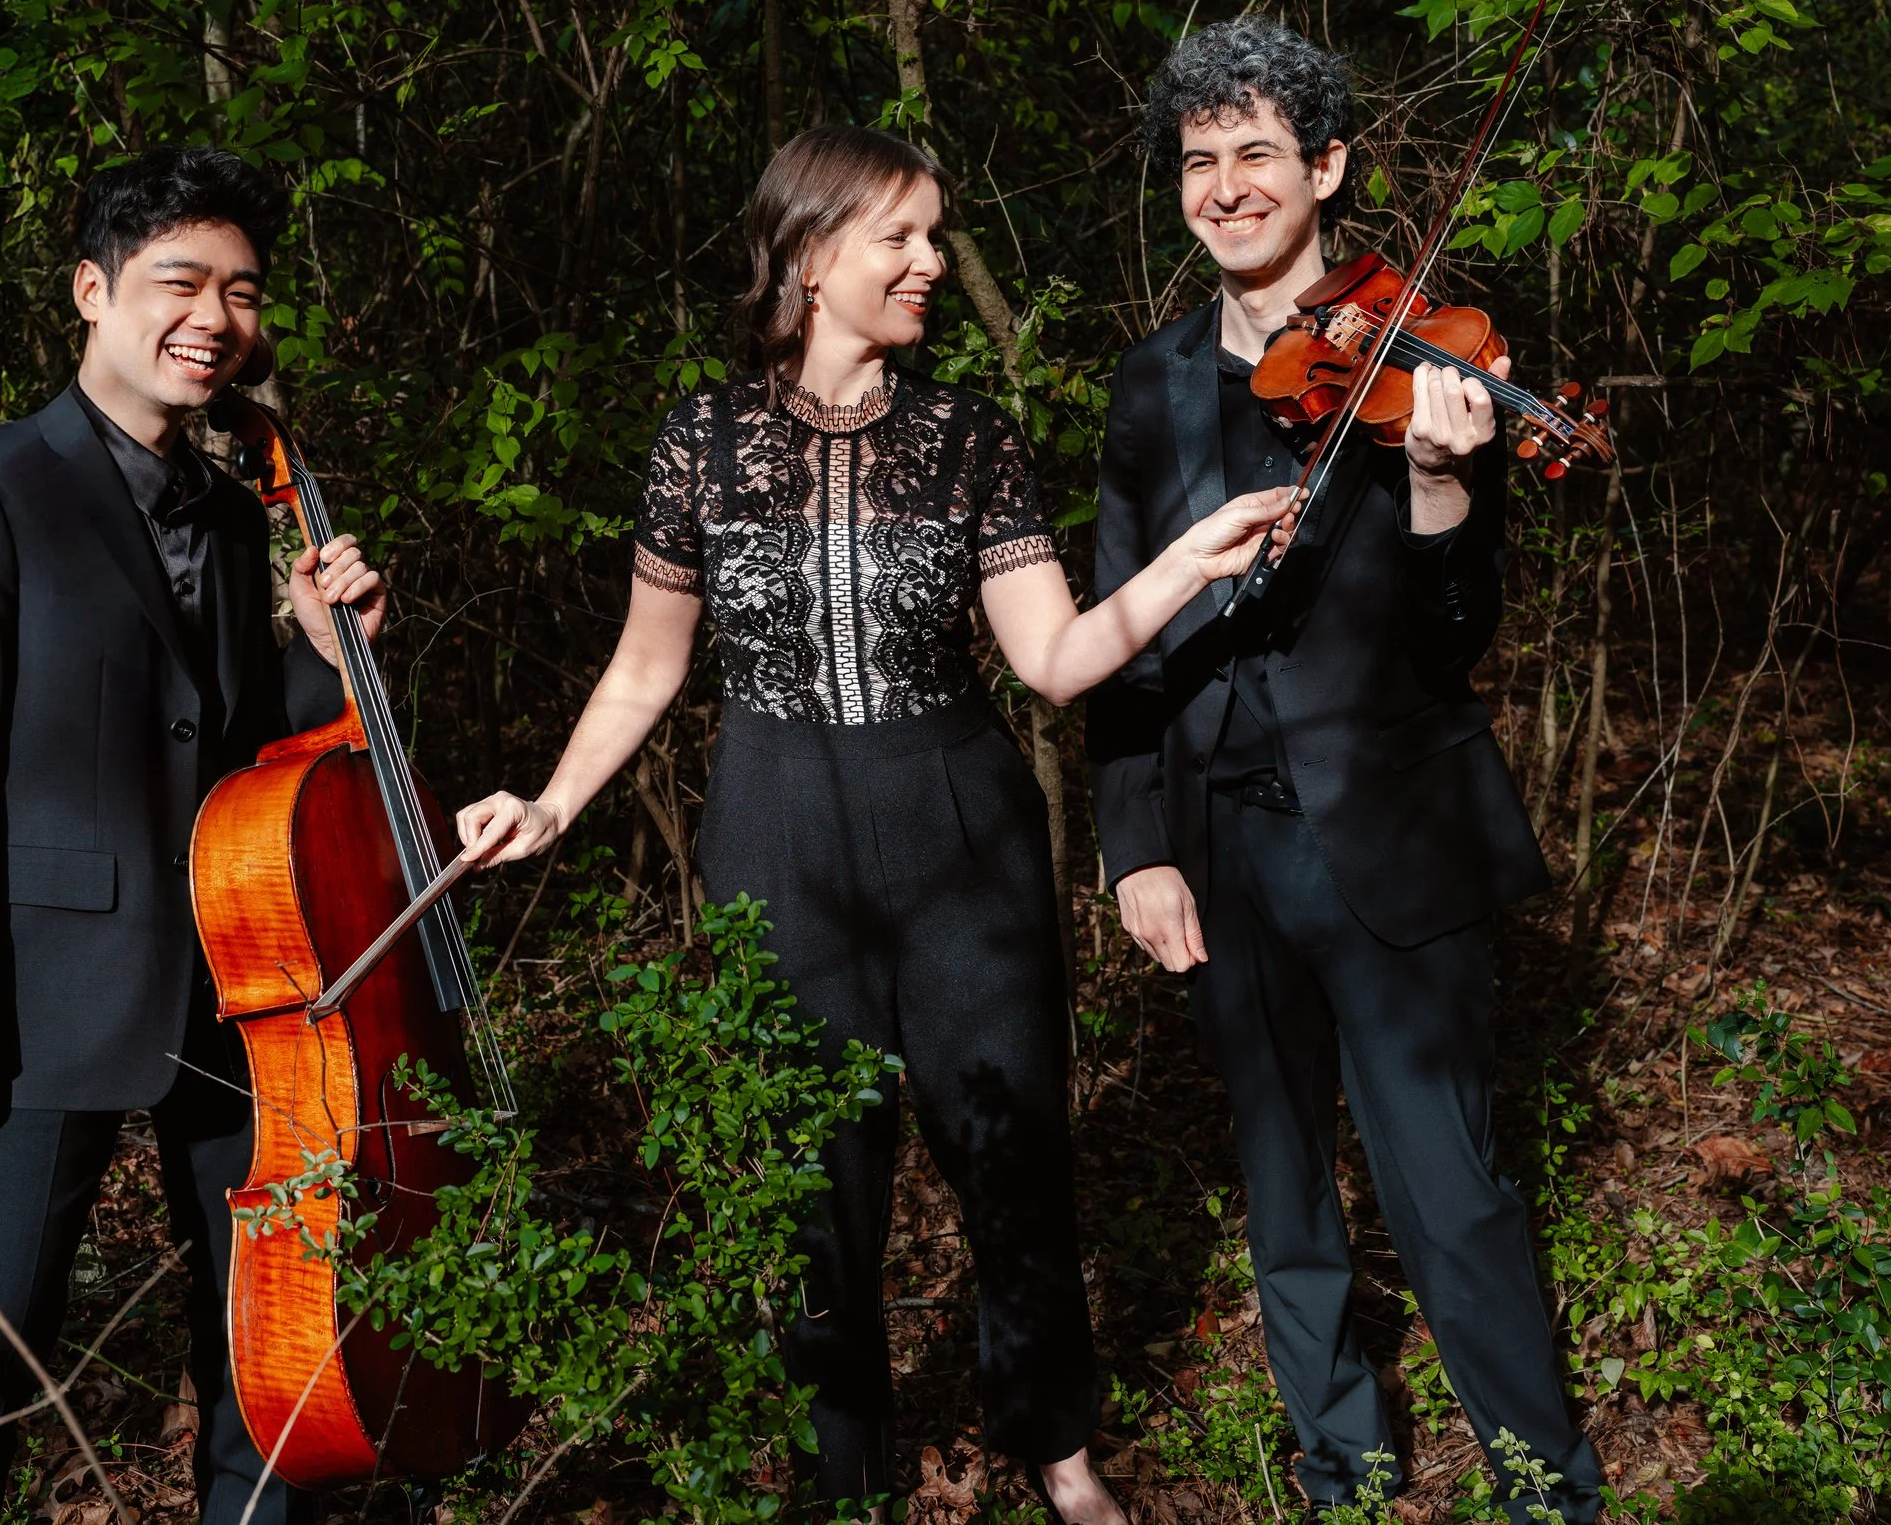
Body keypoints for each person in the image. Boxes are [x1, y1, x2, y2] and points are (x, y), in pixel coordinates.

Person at [456, 125, 1293, 1523]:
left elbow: (1054, 659)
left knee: (1012, 1151)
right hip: (775, 827)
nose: (929, 264)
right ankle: (842, 1477)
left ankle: (1057, 1447)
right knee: (812, 1178)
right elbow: (647, 666)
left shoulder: (968, 436)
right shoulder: (702, 440)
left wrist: (1183, 569)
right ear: (807, 254)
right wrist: (550, 799)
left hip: (962, 826)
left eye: (934, 236)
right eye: (899, 236)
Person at [1088, 16, 1603, 1522]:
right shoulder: (1148, 384)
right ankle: (1345, 1473)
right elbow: (1119, 632)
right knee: (1283, 1190)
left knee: (1453, 1192)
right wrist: (1137, 845)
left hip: (1392, 835)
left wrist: (1441, 483)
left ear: (1326, 166)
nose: (1226, 186)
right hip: (1221, 843)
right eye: (1200, 160)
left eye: (1257, 153)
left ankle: (1547, 1492)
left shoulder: (1417, 356)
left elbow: (1458, 636)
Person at [0, 146, 384, 1525]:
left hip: (236, 989)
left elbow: (240, 748)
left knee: (263, 1345)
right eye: (180, 282)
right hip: (41, 1007)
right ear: (92, 291)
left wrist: (324, 655)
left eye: (243, 292)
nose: (216, 316)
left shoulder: (229, 510)